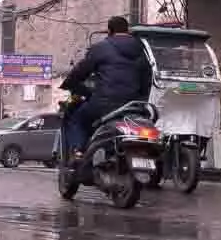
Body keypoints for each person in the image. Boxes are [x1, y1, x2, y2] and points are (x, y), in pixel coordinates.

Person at [61, 16, 152, 157]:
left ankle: (78, 152)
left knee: (76, 119)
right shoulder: (142, 50)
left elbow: (81, 71)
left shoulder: (101, 48)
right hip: (133, 106)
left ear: (109, 31)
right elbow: (147, 79)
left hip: (104, 104)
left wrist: (69, 83)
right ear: (127, 30)